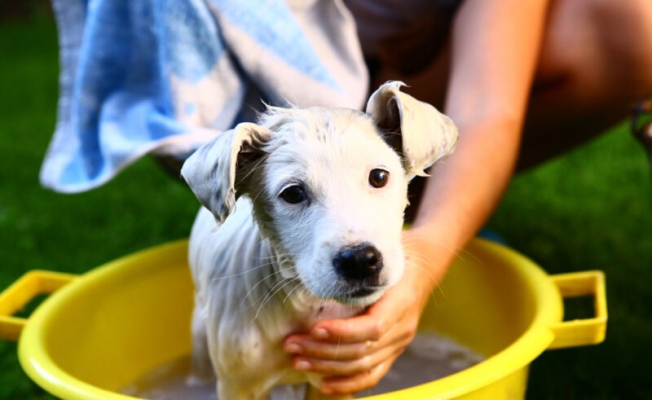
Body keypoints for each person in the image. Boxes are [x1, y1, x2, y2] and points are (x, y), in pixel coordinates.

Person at [280, 0, 652, 395]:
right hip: (282, 84)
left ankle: (428, 202)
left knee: (635, 25)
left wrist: (430, 252)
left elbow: (484, 109)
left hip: (404, 66)